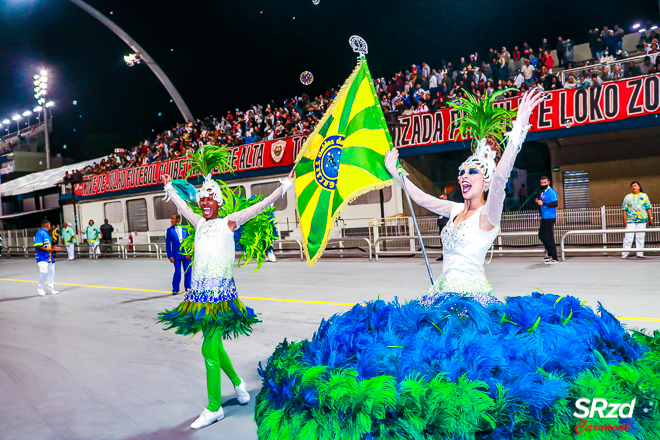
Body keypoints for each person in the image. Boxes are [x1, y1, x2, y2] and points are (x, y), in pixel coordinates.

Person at [254, 89, 660, 437]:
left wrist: (519, 128)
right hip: (438, 296)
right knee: (423, 360)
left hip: (471, 301)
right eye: (463, 173)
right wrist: (397, 173)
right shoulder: (454, 210)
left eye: (474, 174)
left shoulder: (489, 213)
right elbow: (422, 200)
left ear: (485, 181)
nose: (466, 178)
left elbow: (501, 178)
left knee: (465, 365)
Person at [158, 145, 294, 430]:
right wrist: (170, 190)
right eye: (202, 200)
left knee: (208, 349)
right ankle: (238, 383)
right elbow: (183, 207)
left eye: (211, 199)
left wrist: (282, 189)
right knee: (215, 347)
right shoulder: (197, 224)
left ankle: (213, 407)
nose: (206, 203)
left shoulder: (228, 224)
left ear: (219, 202)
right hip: (198, 298)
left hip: (221, 299)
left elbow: (259, 206)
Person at [621, 181, 653, 258]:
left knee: (640, 236)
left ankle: (640, 253)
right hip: (630, 220)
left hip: (642, 220)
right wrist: (625, 220)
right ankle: (625, 253)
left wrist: (650, 218)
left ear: (639, 187)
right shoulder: (628, 197)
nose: (633, 187)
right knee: (628, 237)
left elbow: (648, 207)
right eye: (632, 186)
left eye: (635, 185)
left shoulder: (644, 196)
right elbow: (624, 209)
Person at [166, 213, 192, 294]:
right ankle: (175, 289)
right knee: (177, 271)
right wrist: (170, 255)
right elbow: (167, 244)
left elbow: (190, 242)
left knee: (188, 271)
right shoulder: (170, 230)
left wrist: (190, 254)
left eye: (173, 219)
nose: (171, 220)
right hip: (176, 255)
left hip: (186, 254)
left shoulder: (186, 229)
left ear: (178, 219)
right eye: (171, 218)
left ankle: (188, 289)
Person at [535, 175, 559, 264]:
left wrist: (543, 203)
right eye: (541, 183)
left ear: (548, 182)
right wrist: (538, 200)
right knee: (541, 235)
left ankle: (555, 257)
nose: (543, 184)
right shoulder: (543, 192)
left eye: (545, 182)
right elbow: (541, 201)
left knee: (549, 237)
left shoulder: (551, 192)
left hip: (550, 217)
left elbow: (555, 203)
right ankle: (549, 254)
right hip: (544, 217)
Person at [34, 218, 61, 296]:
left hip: (49, 257)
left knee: (51, 272)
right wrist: (49, 250)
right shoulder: (40, 233)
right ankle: (40, 288)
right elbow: (38, 246)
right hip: (41, 257)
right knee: (44, 272)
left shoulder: (46, 234)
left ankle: (50, 288)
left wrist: (52, 249)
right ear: (48, 225)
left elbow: (47, 245)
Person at [435, 193, 449, 262]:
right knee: (442, 240)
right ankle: (444, 254)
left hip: (446, 224)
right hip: (441, 224)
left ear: (446, 197)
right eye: (440, 198)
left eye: (442, 198)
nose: (441, 200)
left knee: (447, 240)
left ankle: (448, 255)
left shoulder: (448, 205)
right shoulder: (439, 206)